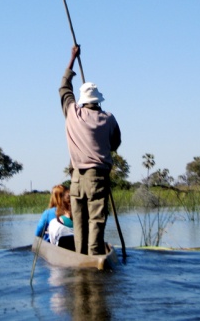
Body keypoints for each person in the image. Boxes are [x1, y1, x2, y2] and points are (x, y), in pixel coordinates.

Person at [59, 44, 121, 255]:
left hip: (76, 179)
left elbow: (64, 87)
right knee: (96, 221)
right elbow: (115, 144)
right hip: (98, 178)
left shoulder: (72, 113)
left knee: (80, 223)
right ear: (98, 101)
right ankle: (94, 264)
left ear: (83, 100)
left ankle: (80, 260)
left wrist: (73, 58)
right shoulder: (108, 119)